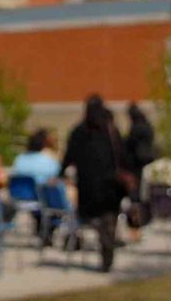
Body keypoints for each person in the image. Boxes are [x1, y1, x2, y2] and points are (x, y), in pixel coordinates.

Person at [62, 94, 131, 272]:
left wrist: (61, 174)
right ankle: (107, 253)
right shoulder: (110, 131)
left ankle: (105, 249)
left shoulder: (78, 132)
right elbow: (122, 157)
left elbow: (68, 157)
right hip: (108, 189)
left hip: (88, 189)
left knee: (100, 221)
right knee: (108, 221)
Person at [124, 103, 157, 172]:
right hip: (149, 155)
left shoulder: (136, 127)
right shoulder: (146, 124)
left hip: (140, 158)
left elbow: (131, 142)